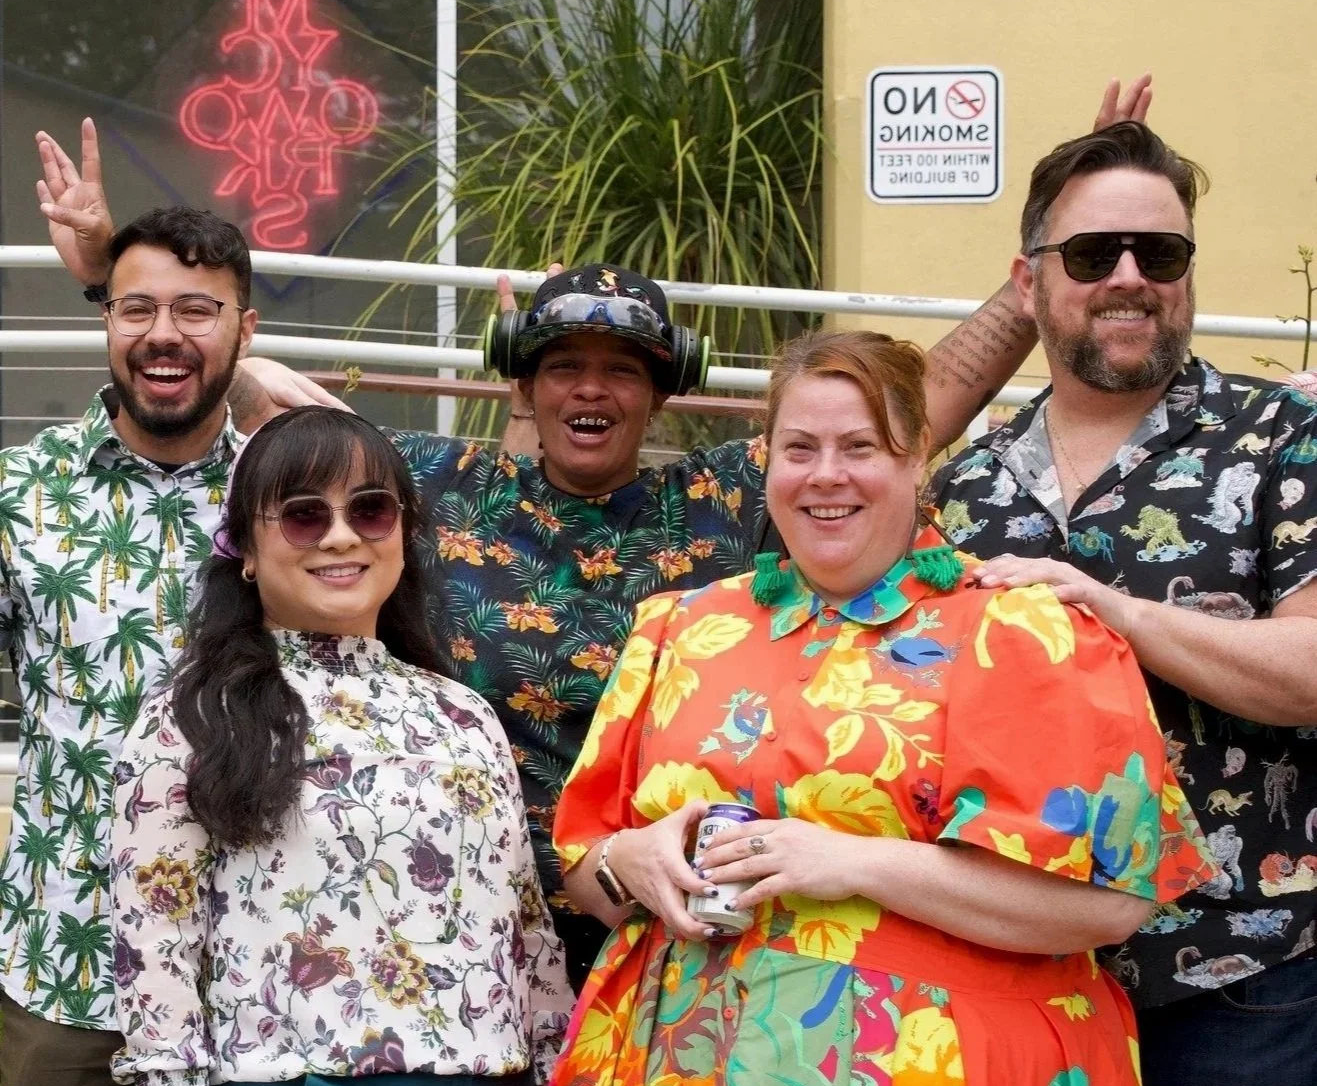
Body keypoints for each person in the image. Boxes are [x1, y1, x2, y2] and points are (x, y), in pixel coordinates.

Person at [42, 120, 1050, 990]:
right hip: (463, 919)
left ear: (664, 393)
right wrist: (108, 280)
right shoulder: (438, 480)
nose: (590, 392)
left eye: (622, 371)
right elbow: (224, 372)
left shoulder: (721, 494)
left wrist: (1039, 274)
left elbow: (916, 404)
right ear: (522, 386)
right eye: (563, 368)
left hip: (662, 915)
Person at [542, 327, 1215, 1086]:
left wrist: (848, 862)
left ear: (916, 460)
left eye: (861, 447)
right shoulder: (680, 629)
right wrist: (637, 859)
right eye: (799, 448)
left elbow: (1108, 900)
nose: (827, 475)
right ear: (766, 462)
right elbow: (587, 871)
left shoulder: (1020, 631)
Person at [926, 119, 1317, 1086]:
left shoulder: (1283, 437)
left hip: (1237, 976)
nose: (1131, 280)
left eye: (1164, 253)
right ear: (1031, 282)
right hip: (1014, 977)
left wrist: (1111, 611)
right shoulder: (972, 486)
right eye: (1094, 256)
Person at [110, 406, 576, 1086]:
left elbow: (525, 930)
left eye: (369, 508)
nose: (339, 536)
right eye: (301, 513)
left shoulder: (462, 712)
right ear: (246, 553)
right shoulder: (195, 714)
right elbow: (153, 944)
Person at [0, 197, 260, 1086]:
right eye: (135, 308)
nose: (163, 332)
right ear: (102, 321)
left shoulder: (292, 494)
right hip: (65, 961)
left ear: (247, 329)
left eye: (199, 309)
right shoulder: (21, 491)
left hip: (254, 974)